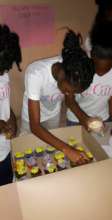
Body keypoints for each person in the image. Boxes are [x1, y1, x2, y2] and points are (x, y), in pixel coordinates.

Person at [21, 30, 95, 164]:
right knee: (28, 150)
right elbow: (35, 126)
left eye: (73, 92)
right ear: (61, 73)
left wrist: (85, 119)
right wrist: (67, 149)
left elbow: (70, 103)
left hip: (53, 115)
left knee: (51, 150)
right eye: (67, 90)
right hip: (30, 119)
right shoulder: (36, 74)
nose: (68, 94)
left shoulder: (72, 73)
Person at [67, 21, 112, 134]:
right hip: (76, 118)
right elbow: (69, 100)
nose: (101, 74)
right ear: (91, 56)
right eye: (97, 68)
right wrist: (85, 119)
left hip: (103, 118)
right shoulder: (79, 65)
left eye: (107, 69)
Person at [0, 24, 22, 186]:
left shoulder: (3, 73)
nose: (3, 72)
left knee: (8, 181)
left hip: (5, 146)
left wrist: (12, 119)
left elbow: (5, 103)